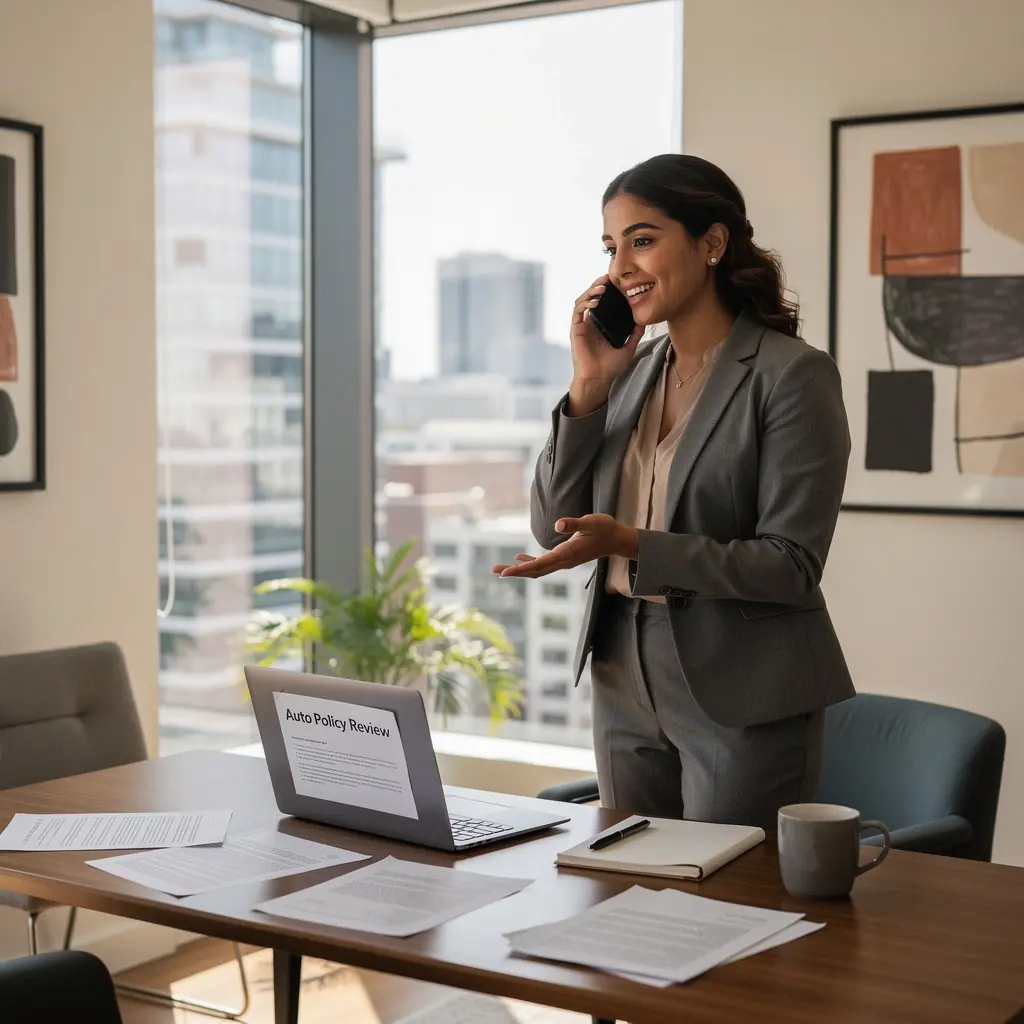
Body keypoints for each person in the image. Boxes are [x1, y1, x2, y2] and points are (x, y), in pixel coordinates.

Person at [493, 154, 855, 830]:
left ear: (712, 242)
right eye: (611, 247)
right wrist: (588, 387)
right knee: (630, 874)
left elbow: (791, 564)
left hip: (741, 675)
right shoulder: (627, 373)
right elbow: (552, 524)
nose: (620, 267)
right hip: (620, 661)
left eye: (642, 239)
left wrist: (633, 544)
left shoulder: (791, 376)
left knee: (727, 882)